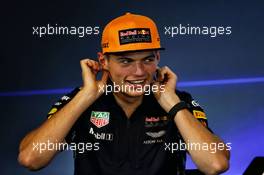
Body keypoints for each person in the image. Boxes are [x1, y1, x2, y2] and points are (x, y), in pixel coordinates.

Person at [18, 12, 230, 175]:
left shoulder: (178, 100)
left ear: (157, 57)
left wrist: (172, 103)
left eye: (147, 59)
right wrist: (86, 96)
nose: (138, 72)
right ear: (104, 62)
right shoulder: (82, 101)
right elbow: (31, 159)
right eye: (126, 61)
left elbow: (215, 164)